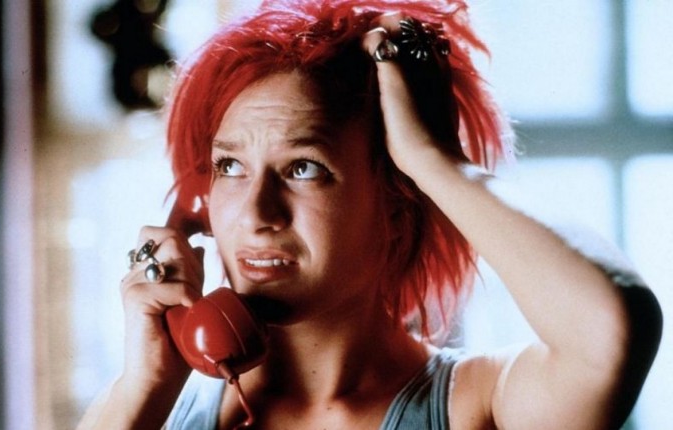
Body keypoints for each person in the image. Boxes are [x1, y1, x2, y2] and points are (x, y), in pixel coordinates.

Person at [77, 0, 663, 428]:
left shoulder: (478, 403)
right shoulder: (149, 403)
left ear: (397, 205)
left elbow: (609, 333)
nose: (255, 212)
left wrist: (435, 161)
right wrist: (146, 389)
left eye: (303, 167)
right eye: (229, 167)